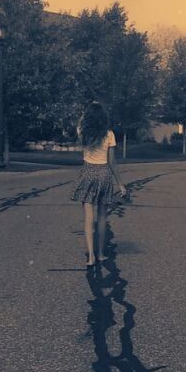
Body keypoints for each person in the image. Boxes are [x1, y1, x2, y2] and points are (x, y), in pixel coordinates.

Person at [70, 102, 126, 267]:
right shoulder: (109, 134)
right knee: (102, 218)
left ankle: (91, 257)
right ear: (103, 117)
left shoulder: (84, 132)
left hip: (88, 173)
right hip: (104, 174)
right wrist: (120, 184)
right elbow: (112, 162)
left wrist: (85, 113)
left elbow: (79, 123)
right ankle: (101, 254)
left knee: (88, 217)